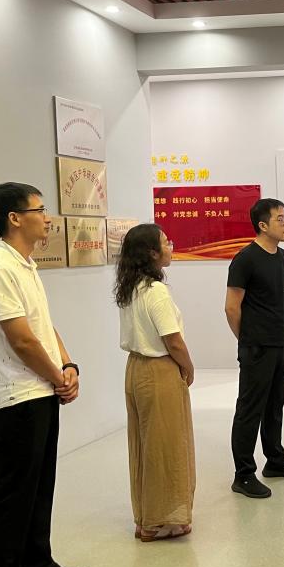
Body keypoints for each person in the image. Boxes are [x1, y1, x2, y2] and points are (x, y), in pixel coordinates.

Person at [0, 183, 85, 567]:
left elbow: (43, 327)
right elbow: (20, 340)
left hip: (41, 391)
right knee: (14, 494)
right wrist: (57, 376)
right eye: (40, 209)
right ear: (14, 218)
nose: (47, 217)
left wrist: (67, 365)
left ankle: (36, 564)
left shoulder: (26, 266)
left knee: (39, 487)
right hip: (17, 396)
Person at [115, 224, 196, 542]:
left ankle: (146, 517)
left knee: (144, 444)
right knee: (165, 447)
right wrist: (188, 366)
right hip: (159, 371)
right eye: (166, 242)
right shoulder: (156, 291)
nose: (171, 245)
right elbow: (172, 340)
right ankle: (158, 521)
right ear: (152, 253)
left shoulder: (131, 287)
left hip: (135, 369)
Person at [225, 198, 284, 499]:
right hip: (257, 346)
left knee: (274, 406)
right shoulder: (245, 259)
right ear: (263, 225)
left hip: (281, 342)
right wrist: (247, 339)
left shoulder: (283, 258)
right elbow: (231, 307)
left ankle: (275, 460)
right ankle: (244, 474)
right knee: (250, 409)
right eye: (280, 219)